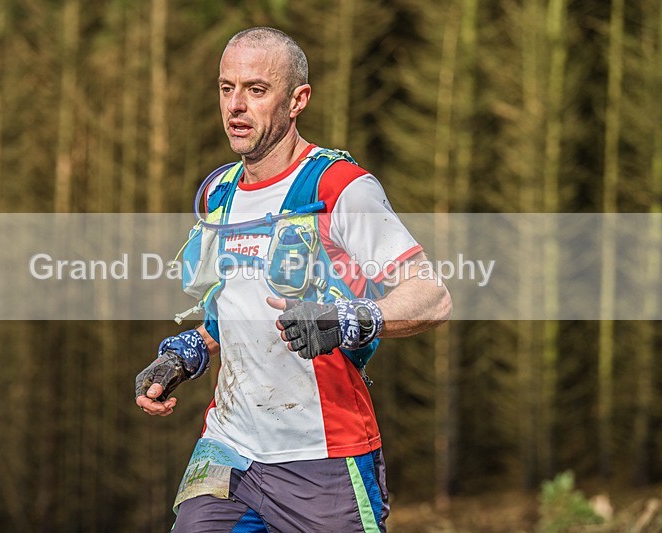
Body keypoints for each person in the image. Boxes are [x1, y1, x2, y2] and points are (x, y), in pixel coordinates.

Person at [135, 27, 452, 532]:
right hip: (229, 449)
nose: (235, 106)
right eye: (226, 87)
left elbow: (432, 297)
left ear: (297, 99)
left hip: (321, 456)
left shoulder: (339, 187)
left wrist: (347, 318)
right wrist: (184, 354)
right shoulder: (220, 192)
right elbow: (232, 314)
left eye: (256, 90)